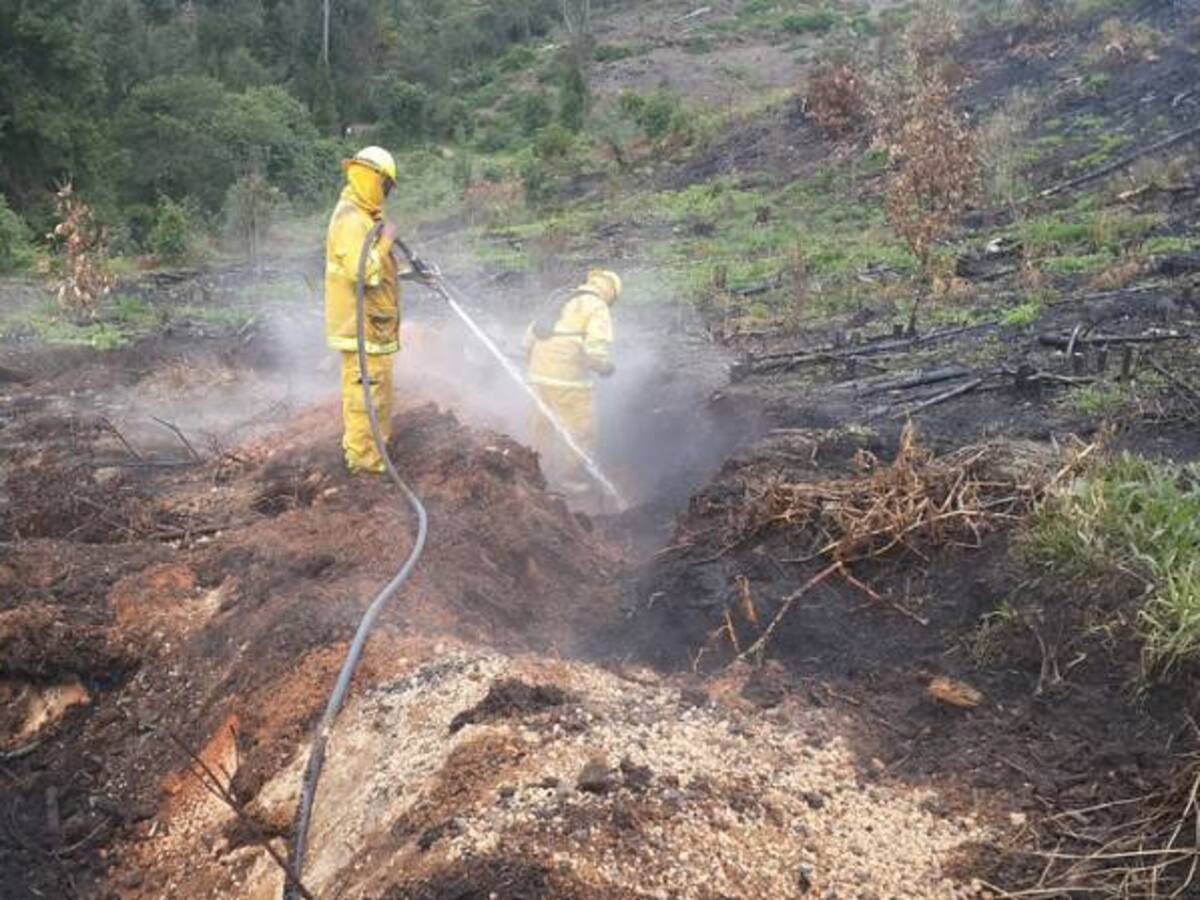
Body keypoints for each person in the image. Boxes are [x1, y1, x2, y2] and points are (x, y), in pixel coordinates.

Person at [324, 146, 402, 474]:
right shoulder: (350, 219)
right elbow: (364, 273)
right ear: (373, 179)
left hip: (373, 330)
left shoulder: (363, 217)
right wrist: (386, 242)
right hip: (360, 330)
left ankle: (377, 457)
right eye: (385, 186)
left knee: (378, 399)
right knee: (362, 404)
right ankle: (364, 468)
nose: (385, 195)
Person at [524, 268, 622, 495]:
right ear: (611, 293)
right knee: (580, 431)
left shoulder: (560, 298)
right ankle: (570, 482)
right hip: (569, 382)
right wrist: (605, 366)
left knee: (540, 428)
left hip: (537, 378)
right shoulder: (597, 307)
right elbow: (596, 350)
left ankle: (536, 476)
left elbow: (529, 338)